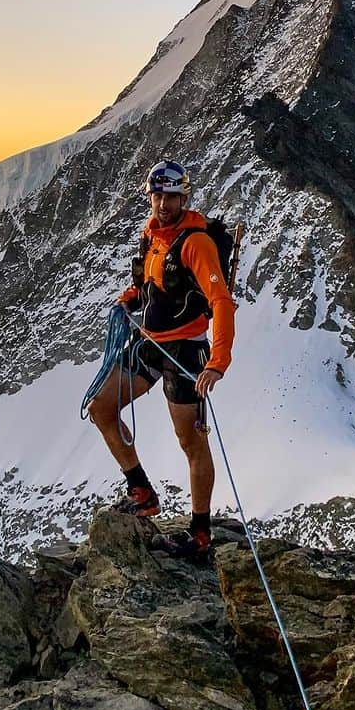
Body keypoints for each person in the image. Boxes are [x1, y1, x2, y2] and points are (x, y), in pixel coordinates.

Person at [87, 159, 236, 563]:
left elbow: (221, 301)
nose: (164, 203)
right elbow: (154, 284)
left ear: (183, 197)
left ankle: (200, 534)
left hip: (186, 352)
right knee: (101, 408)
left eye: (172, 196)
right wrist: (132, 298)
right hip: (150, 343)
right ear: (151, 196)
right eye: (158, 195)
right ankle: (142, 492)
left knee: (190, 441)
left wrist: (217, 361)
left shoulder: (195, 243)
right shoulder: (151, 237)